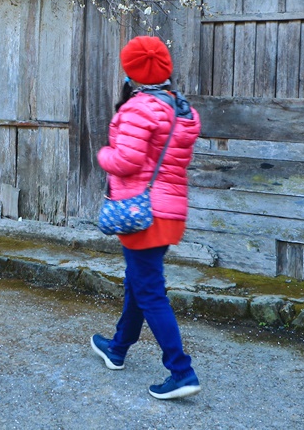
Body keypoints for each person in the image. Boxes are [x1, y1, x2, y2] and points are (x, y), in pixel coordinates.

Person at [90, 35, 202, 400]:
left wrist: (104, 153)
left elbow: (126, 161)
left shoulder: (140, 109)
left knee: (150, 290)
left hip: (142, 213)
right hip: (168, 212)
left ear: (132, 71)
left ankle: (181, 371)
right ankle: (118, 347)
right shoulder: (180, 107)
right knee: (139, 281)